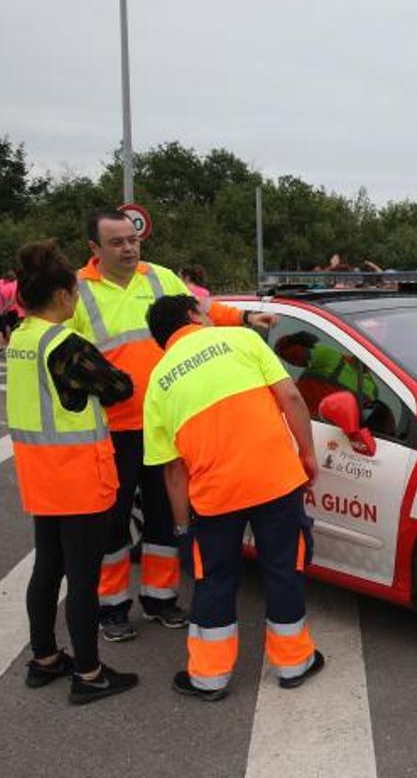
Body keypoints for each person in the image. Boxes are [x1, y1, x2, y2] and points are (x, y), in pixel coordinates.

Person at [72, 209, 277, 642]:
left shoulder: (159, 277)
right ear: (95, 249)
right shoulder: (78, 292)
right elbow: (62, 354)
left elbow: (201, 311)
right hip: (114, 427)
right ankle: (111, 607)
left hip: (167, 421)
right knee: (113, 521)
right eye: (117, 242)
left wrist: (244, 320)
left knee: (164, 514)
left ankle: (160, 597)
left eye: (133, 240)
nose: (129, 248)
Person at [142, 295, 322, 700]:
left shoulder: (159, 380)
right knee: (283, 569)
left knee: (215, 581)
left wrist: (182, 525)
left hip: (214, 497)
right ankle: (294, 663)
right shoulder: (241, 340)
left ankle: (209, 677)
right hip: (276, 481)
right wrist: (307, 455)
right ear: (193, 315)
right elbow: (291, 397)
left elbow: (172, 470)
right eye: (204, 312)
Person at [7, 240, 139, 704]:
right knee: (84, 579)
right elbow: (119, 386)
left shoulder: (21, 339)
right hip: (79, 478)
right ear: (63, 295)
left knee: (48, 568)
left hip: (39, 475)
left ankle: (44, 658)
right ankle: (89, 672)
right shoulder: (65, 345)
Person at [0, 270, 23, 334]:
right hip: (20, 309)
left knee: (7, 324)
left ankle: (9, 339)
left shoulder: (6, 287)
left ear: (7, 279)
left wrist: (4, 309)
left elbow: (9, 300)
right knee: (17, 325)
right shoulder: (18, 284)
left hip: (11, 309)